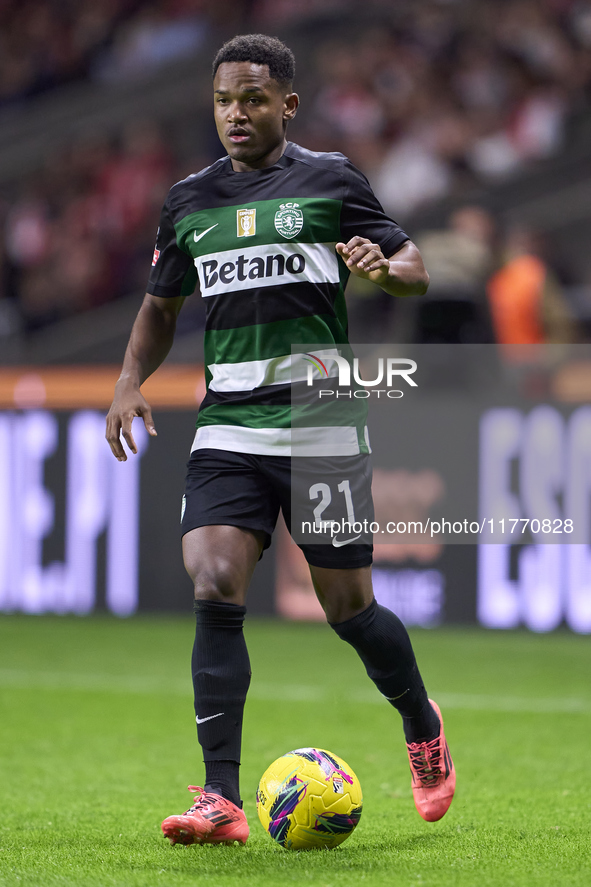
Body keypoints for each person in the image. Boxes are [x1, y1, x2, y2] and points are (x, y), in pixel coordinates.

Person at [106, 33, 455, 846]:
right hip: (227, 421)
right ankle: (220, 798)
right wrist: (129, 380)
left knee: (348, 607)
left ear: (286, 104)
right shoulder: (189, 201)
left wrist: (380, 265)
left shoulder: (331, 179)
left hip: (320, 420)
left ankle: (419, 719)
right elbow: (160, 306)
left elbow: (415, 266)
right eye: (225, 99)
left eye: (253, 99)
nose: (236, 113)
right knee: (214, 580)